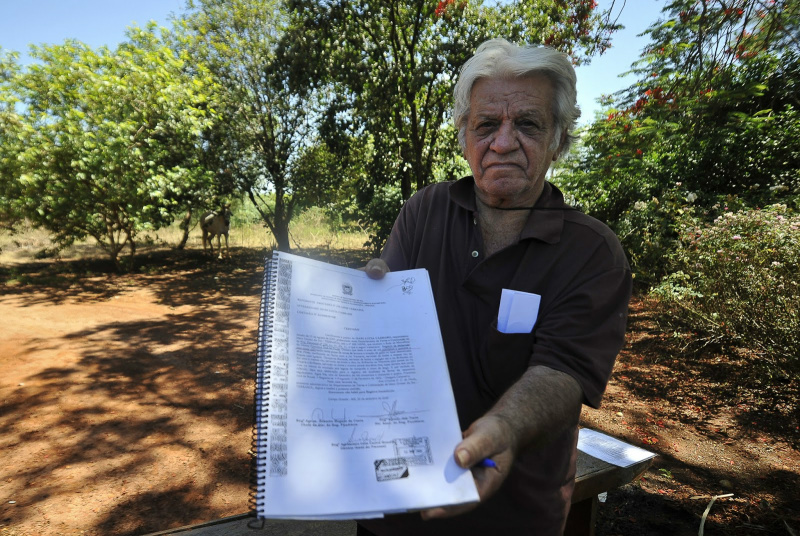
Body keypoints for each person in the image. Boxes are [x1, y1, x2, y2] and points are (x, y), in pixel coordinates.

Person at [360, 38, 632, 535]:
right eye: (486, 125)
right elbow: (385, 334)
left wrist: (505, 426)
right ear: (465, 135)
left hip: (513, 514)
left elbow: (562, 371)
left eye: (527, 124)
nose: (503, 143)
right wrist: (360, 304)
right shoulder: (425, 211)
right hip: (397, 500)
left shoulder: (592, 252)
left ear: (558, 139)